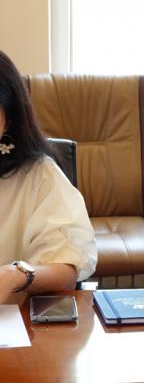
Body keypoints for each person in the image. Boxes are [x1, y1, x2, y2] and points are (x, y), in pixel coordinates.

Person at [0, 50, 97, 304]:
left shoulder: (38, 175)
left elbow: (66, 267)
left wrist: (14, 275)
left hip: (12, 321)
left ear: (8, 119)